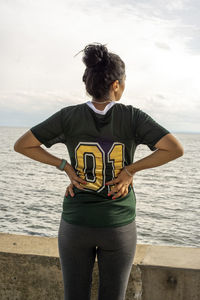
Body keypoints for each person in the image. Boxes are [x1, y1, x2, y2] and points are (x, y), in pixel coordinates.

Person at [14, 42, 184, 300]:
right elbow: (174, 149)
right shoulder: (133, 117)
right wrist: (130, 170)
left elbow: (23, 145)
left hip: (75, 221)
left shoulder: (68, 116)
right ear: (116, 85)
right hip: (117, 223)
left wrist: (65, 166)